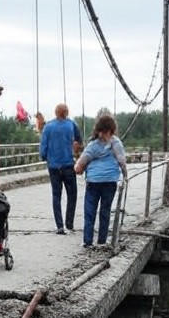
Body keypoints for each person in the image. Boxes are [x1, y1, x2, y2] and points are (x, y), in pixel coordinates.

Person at [74, 113, 127, 248]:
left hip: (94, 182)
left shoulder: (93, 145)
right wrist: (125, 177)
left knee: (90, 211)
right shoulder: (117, 143)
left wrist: (78, 168)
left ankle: (87, 241)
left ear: (98, 129)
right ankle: (102, 241)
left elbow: (79, 165)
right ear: (112, 129)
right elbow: (122, 162)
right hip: (110, 181)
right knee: (105, 211)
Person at [40, 102, 82, 234]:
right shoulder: (71, 124)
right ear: (67, 112)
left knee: (56, 195)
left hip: (53, 166)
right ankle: (69, 223)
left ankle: (59, 225)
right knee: (72, 195)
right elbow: (79, 141)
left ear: (55, 112)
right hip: (68, 164)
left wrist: (45, 158)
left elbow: (43, 147)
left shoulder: (48, 127)